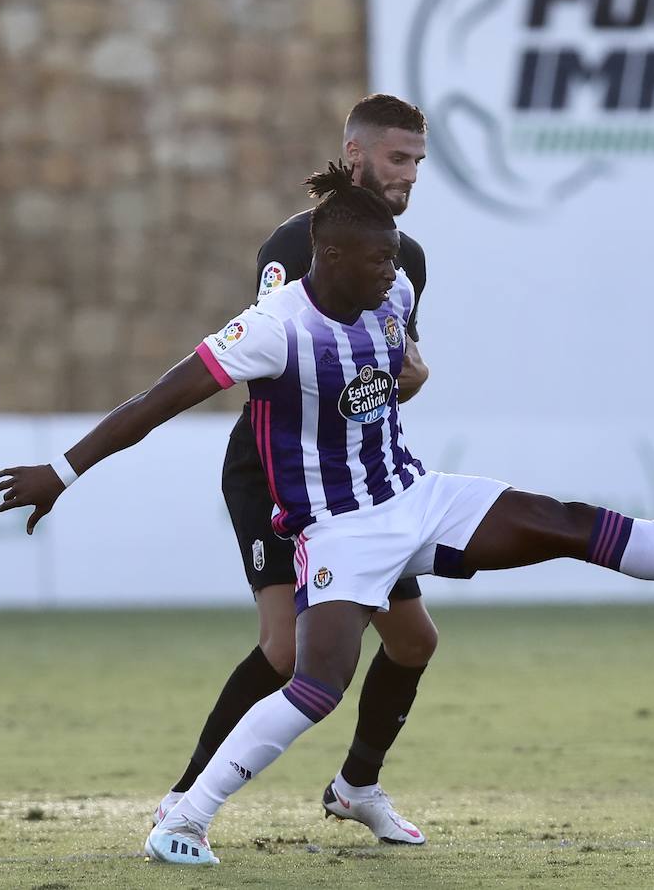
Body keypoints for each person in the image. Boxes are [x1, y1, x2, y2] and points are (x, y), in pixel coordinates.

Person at [0, 166, 654, 865]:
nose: (392, 275)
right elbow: (158, 400)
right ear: (327, 257)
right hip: (338, 529)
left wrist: (402, 373)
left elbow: (398, 367)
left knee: (566, 524)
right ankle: (184, 819)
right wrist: (62, 471)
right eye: (374, 263)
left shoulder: (392, 288)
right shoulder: (271, 329)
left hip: (415, 494)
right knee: (315, 681)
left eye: (394, 262)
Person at [148, 94, 437, 845]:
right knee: (287, 650)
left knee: (413, 643)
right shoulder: (294, 243)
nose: (408, 174)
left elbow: (398, 363)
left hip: (360, 480)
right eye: (397, 158)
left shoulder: (408, 258)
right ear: (356, 153)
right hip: (282, 473)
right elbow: (275, 359)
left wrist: (415, 374)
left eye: (417, 161)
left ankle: (356, 787)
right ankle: (182, 799)